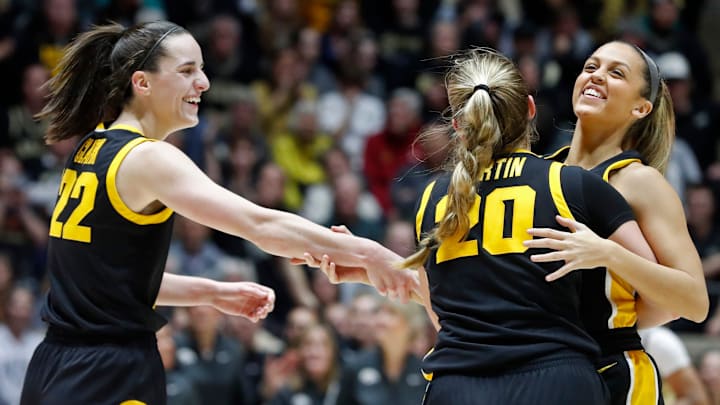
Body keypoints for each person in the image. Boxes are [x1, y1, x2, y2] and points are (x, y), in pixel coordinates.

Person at [19, 21, 417, 405]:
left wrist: (211, 293)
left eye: (203, 70)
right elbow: (259, 223)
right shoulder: (149, 157)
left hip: (56, 364)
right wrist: (370, 253)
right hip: (108, 372)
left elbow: (103, 280)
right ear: (142, 83)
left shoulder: (91, 147)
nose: (204, 83)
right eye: (188, 70)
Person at [308, 48, 657, 404]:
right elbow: (659, 292)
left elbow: (442, 313)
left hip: (458, 387)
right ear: (530, 110)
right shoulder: (574, 185)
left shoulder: (432, 199)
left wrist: (374, 264)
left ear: (458, 125)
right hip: (556, 381)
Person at [530, 41, 709, 405]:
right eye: (591, 66)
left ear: (641, 107)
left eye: (616, 73)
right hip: (546, 369)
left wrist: (609, 255)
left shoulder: (639, 182)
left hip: (611, 373)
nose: (596, 76)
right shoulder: (541, 171)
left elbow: (691, 300)